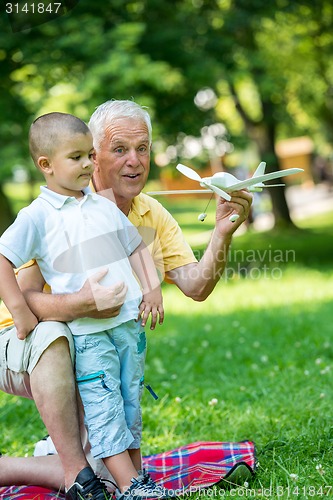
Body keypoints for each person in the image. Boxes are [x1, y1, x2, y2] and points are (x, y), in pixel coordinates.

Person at [0, 100, 252, 495]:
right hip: (27, 342)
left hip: (95, 342)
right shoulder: (53, 215)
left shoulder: (146, 213)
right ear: (92, 156)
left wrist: (223, 232)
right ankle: (62, 468)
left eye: (143, 148)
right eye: (119, 149)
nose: (135, 161)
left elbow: (196, 287)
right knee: (60, 344)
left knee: (117, 437)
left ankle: (79, 461)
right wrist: (78, 304)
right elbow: (27, 298)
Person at [0, 112, 166, 500]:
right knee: (102, 403)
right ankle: (126, 484)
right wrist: (20, 311)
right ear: (46, 165)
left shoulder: (102, 205)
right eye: (77, 157)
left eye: (90, 155)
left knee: (128, 400)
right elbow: (2, 258)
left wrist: (152, 288)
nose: (89, 165)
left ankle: (135, 479)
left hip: (127, 327)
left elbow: (135, 246)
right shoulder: (36, 217)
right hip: (88, 335)